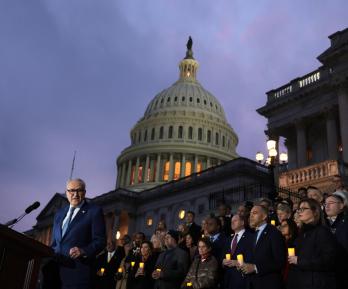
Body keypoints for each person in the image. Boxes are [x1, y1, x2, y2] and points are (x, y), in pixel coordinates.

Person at [51, 178, 106, 289]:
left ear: (84, 193)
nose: (75, 194)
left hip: (77, 273)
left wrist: (83, 250)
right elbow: (55, 243)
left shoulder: (94, 211)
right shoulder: (59, 214)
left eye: (79, 190)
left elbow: (100, 241)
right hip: (54, 273)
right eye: (71, 190)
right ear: (66, 193)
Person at [287, 198, 337, 289]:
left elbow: (328, 260)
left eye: (304, 209)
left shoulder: (322, 232)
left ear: (315, 212)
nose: (299, 212)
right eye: (299, 209)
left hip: (317, 283)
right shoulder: (301, 234)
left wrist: (299, 261)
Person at [239, 205, 286, 289]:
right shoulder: (253, 235)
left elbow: (280, 262)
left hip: (269, 284)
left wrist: (255, 267)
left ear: (264, 216)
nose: (251, 216)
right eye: (250, 214)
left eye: (255, 213)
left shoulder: (274, 233)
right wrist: (244, 266)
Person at [222, 214, 254, 289]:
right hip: (228, 280)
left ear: (242, 222)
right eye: (231, 221)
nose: (232, 223)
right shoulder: (228, 239)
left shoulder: (251, 237)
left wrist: (238, 263)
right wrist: (223, 261)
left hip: (243, 279)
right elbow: (222, 255)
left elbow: (253, 256)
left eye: (235, 221)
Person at [324, 194, 348, 289]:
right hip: (329, 274)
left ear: (341, 205)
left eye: (331, 203)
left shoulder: (345, 222)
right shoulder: (323, 224)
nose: (327, 206)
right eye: (325, 204)